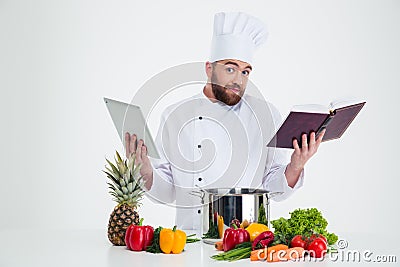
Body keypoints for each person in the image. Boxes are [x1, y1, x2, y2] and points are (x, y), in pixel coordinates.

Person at [125, 12, 325, 230]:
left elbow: (274, 189)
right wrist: (144, 168)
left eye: (245, 71)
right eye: (230, 69)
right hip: (190, 239)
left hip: (248, 240)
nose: (238, 80)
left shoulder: (266, 115)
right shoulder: (175, 115)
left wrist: (296, 165)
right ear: (209, 68)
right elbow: (167, 192)